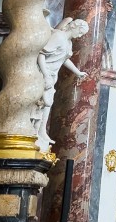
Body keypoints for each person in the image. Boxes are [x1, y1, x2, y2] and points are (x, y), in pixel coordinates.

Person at [34, 17, 89, 151]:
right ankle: (34, 132)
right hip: (42, 74)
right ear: (74, 27)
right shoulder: (58, 36)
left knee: (47, 103)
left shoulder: (68, 42)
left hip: (52, 76)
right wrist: (46, 75)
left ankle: (41, 131)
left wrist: (78, 72)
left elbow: (64, 59)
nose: (80, 36)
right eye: (80, 32)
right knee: (40, 103)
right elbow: (41, 54)